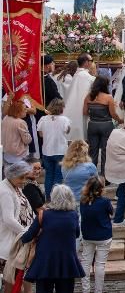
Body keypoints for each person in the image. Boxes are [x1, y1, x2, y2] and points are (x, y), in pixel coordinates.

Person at [21, 184, 83, 293]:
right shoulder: (73, 215)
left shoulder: (44, 215)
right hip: (66, 261)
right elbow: (77, 234)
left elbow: (28, 236)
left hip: (45, 261)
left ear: (53, 198)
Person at [0, 162, 34, 292]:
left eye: (25, 177)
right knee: (11, 280)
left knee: (16, 279)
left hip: (17, 239)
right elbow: (8, 219)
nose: (24, 181)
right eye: (21, 178)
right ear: (12, 176)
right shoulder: (5, 191)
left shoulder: (15, 186)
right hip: (9, 242)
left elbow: (26, 208)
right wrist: (27, 233)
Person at [79, 177, 113, 293]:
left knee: (85, 262)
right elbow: (111, 212)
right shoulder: (105, 202)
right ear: (101, 189)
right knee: (100, 264)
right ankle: (98, 290)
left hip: (88, 235)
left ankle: (85, 290)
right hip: (104, 235)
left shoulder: (83, 201)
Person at [83, 76, 122, 176]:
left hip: (93, 125)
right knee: (105, 151)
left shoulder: (88, 96)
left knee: (92, 151)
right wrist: (120, 120)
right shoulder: (108, 97)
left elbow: (85, 112)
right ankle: (105, 175)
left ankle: (92, 174)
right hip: (106, 126)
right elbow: (113, 114)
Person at [104, 120, 125, 225]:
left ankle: (117, 195)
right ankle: (118, 219)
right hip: (123, 169)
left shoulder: (114, 132)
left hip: (111, 166)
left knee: (121, 188)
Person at [36, 98, 70, 200]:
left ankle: (48, 197)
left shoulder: (43, 119)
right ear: (61, 108)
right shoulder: (65, 120)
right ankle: (56, 198)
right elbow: (67, 131)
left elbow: (41, 134)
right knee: (58, 176)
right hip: (60, 150)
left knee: (49, 175)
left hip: (47, 150)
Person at [63, 53, 96, 141]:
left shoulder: (79, 74)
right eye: (91, 61)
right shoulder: (84, 76)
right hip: (80, 107)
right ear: (86, 62)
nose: (92, 63)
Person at [1, 100, 32, 165]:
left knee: (9, 174)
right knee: (19, 174)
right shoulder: (20, 122)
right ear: (18, 110)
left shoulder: (5, 118)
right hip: (18, 155)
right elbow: (27, 140)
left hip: (6, 154)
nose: (26, 111)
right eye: (24, 109)